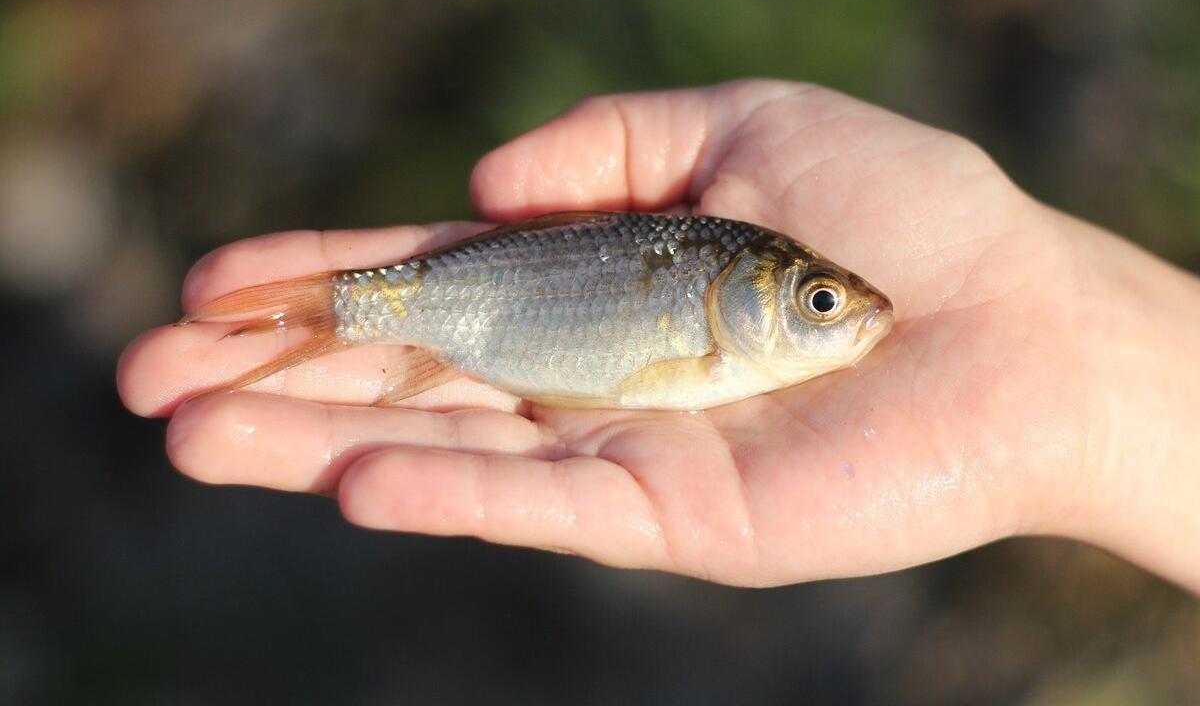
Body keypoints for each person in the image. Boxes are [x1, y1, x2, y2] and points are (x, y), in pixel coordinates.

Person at [117, 80, 1200, 593]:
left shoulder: (736, 301)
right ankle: (319, 310)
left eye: (821, 301)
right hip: (468, 306)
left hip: (481, 315)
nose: (851, 318)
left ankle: (311, 313)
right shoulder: (712, 299)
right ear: (743, 293)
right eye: (818, 301)